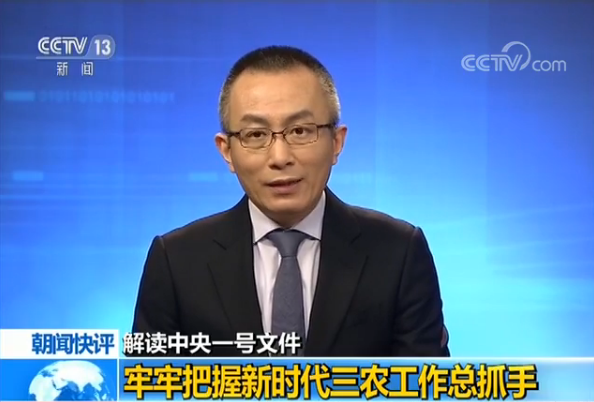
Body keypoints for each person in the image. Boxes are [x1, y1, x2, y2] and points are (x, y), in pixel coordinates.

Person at [132, 45, 449, 357]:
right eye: (256, 135)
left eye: (300, 131)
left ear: (337, 142)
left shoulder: (398, 252)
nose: (280, 157)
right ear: (226, 151)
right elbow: (148, 383)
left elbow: (427, 383)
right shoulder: (176, 261)